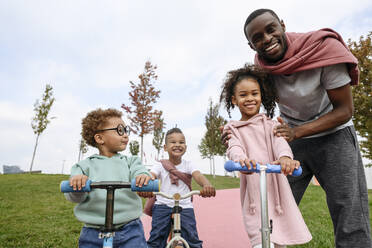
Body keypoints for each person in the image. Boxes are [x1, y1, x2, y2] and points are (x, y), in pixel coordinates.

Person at [239, 8, 371, 247]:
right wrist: (237, 131)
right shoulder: (262, 71)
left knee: (348, 209)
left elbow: (344, 110)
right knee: (273, 207)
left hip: (334, 134)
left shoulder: (323, 50)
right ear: (251, 45)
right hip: (291, 141)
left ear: (282, 25)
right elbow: (256, 109)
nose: (266, 39)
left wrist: (297, 132)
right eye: (257, 37)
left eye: (271, 29)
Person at [220, 64, 312, 248]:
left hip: (276, 189)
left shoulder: (270, 125)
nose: (250, 99)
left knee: (279, 239)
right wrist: (240, 161)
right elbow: (234, 147)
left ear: (261, 96)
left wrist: (285, 158)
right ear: (234, 100)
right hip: (254, 189)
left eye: (254, 93)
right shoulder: (232, 129)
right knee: (260, 240)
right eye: (243, 95)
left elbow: (280, 143)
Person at [64, 108, 153, 248]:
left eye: (126, 130)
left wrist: (143, 177)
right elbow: (74, 197)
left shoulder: (131, 161)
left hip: (130, 229)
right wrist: (77, 184)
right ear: (100, 138)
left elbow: (140, 172)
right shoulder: (82, 167)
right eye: (119, 130)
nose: (125, 135)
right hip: (93, 231)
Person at [144, 127, 216, 248]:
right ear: (165, 147)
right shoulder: (159, 165)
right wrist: (146, 183)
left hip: (184, 204)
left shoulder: (188, 165)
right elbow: (152, 175)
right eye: (173, 142)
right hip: (163, 204)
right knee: (156, 239)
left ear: (186, 147)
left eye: (181, 142)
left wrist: (206, 185)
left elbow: (198, 175)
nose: (177, 145)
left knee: (192, 238)